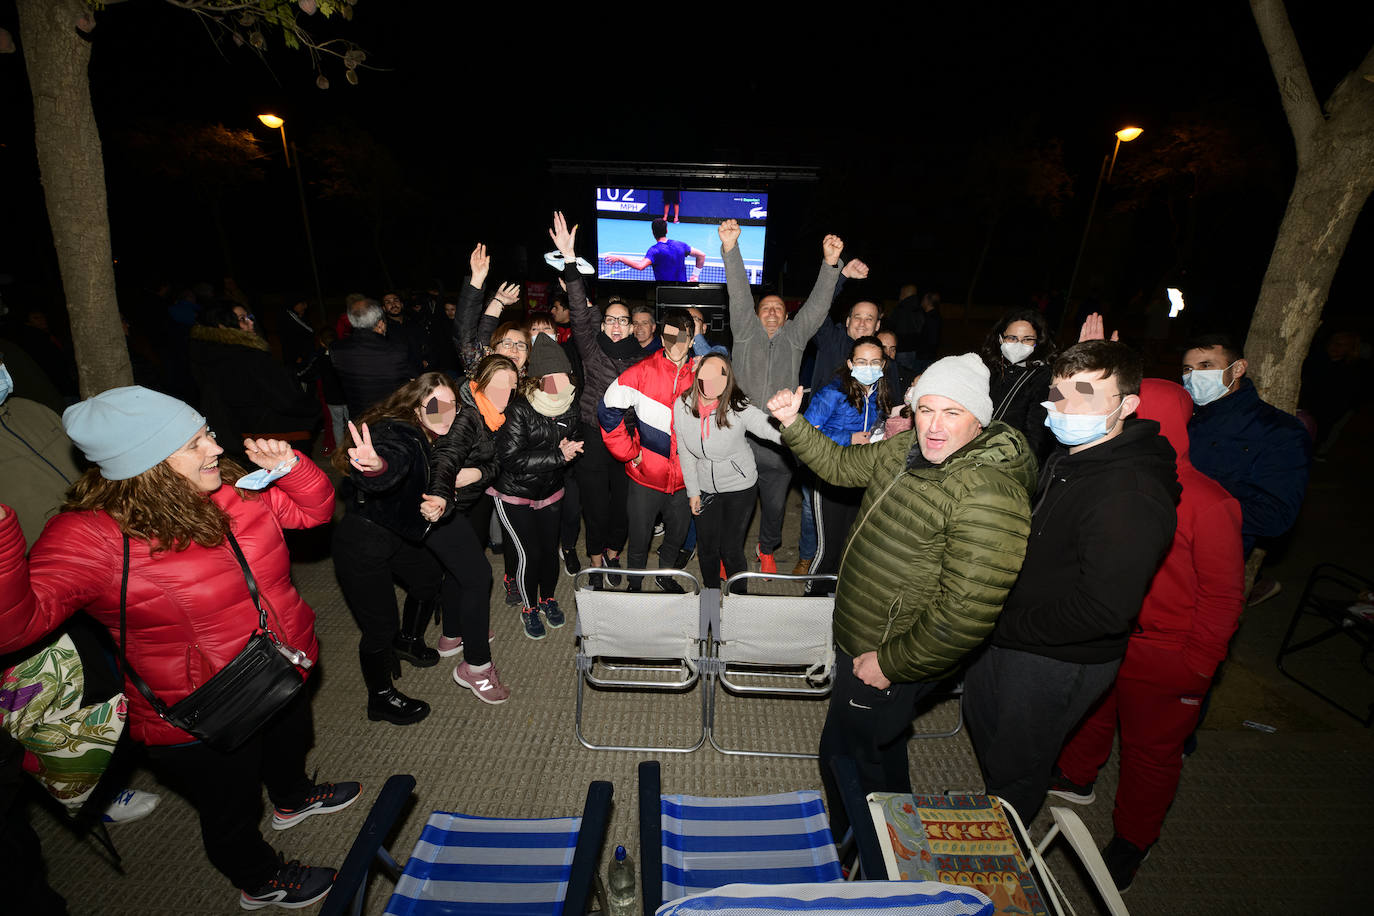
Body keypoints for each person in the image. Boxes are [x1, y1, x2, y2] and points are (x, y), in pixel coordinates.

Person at [0, 386, 355, 910]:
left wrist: (295, 467)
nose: (215, 447)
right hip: (197, 711)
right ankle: (258, 878)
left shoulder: (230, 486)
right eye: (194, 443)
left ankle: (293, 797)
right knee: (231, 809)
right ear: (142, 463)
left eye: (206, 432)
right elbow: (16, 626)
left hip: (284, 664)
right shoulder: (90, 537)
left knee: (289, 744)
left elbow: (313, 514)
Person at [766, 353, 1036, 838]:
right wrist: (791, 423)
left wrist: (890, 663)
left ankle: (865, 856)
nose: (933, 426)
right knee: (878, 752)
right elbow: (841, 466)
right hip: (864, 630)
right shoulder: (905, 447)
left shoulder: (988, 494)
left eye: (952, 413)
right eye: (926, 409)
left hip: (889, 650)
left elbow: (964, 616)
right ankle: (895, 851)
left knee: (845, 758)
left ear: (979, 418)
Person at [964, 340, 1179, 824]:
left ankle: (1002, 856)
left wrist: (1003, 625)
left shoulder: (1131, 495)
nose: (1064, 406)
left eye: (1084, 393)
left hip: (1056, 657)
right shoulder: (1073, 455)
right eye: (1058, 393)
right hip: (1015, 634)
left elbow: (1103, 610)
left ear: (1127, 406)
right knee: (993, 739)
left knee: (1018, 766)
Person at [1050, 378, 1244, 892]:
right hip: (1110, 629)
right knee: (1093, 711)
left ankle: (1133, 839)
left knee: (1150, 753)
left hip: (1167, 649)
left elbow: (1223, 596)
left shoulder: (1207, 501)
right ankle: (1078, 775)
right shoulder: (1112, 478)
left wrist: (1199, 666)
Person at [331, 372, 473, 723]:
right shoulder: (401, 433)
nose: (447, 413)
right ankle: (380, 698)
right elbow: (390, 462)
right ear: (416, 404)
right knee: (379, 628)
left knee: (428, 579)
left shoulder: (428, 430)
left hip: (398, 533)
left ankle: (408, 639)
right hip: (362, 542)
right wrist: (376, 467)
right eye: (437, 406)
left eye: (453, 405)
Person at [720, 218, 845, 574]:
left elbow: (819, 306)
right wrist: (731, 249)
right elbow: (739, 292)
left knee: (774, 505)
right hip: (740, 439)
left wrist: (830, 265)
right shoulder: (744, 331)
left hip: (778, 440)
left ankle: (767, 548)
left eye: (778, 308)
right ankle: (731, 556)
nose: (771, 311)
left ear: (787, 316)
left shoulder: (795, 337)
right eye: (765, 308)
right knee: (737, 503)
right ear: (755, 316)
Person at [549, 212, 654, 588]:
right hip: (593, 436)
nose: (615, 324)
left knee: (622, 507)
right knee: (594, 505)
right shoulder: (591, 349)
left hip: (627, 440)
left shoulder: (646, 358)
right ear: (603, 322)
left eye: (623, 320)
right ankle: (595, 560)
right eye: (610, 318)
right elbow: (578, 309)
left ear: (632, 326)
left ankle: (612, 552)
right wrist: (570, 259)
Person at [428, 355, 519, 702]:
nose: (504, 392)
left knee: (459, 570)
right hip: (443, 507)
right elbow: (445, 455)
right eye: (497, 384)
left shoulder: (495, 415)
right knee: (479, 577)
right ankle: (476, 668)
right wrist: (439, 494)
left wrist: (479, 473)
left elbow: (496, 462)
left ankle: (452, 633)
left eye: (510, 386)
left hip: (469, 503)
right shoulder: (464, 412)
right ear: (479, 382)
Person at [1182, 333, 1311, 558]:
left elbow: (1275, 516)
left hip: (1214, 555)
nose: (1194, 376)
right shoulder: (1182, 416)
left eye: (1206, 365)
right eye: (1187, 369)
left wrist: (1190, 509)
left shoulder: (1279, 431)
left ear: (1238, 369)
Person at [600, 309, 698, 593]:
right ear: (662, 337)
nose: (676, 343)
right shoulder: (642, 372)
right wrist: (629, 450)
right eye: (671, 336)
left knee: (676, 535)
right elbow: (607, 408)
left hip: (684, 481)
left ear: (692, 341)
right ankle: (634, 583)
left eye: (684, 337)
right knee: (640, 537)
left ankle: (664, 576)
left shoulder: (702, 376)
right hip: (644, 478)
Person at [491, 336, 583, 638]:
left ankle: (548, 599)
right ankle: (529, 608)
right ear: (538, 379)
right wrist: (558, 454)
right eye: (550, 377)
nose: (557, 383)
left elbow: (571, 441)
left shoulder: (571, 403)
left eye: (562, 375)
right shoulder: (519, 408)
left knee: (547, 551)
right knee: (528, 554)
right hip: (515, 493)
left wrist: (567, 449)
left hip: (550, 490)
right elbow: (510, 459)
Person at [675, 354, 780, 590]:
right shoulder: (681, 405)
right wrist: (693, 491)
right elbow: (685, 451)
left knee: (731, 549)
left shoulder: (737, 405)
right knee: (708, 547)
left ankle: (738, 601)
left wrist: (797, 432)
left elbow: (767, 427)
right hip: (704, 487)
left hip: (739, 487)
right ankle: (711, 595)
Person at [803, 336, 894, 593]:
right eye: (862, 361)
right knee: (827, 548)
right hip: (831, 477)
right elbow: (806, 434)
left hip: (864, 479)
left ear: (884, 365)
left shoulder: (881, 394)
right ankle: (812, 598)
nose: (869, 367)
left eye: (875, 362)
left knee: (850, 544)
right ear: (850, 363)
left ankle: (836, 599)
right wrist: (848, 438)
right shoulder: (832, 393)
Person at [188, 302, 320, 463]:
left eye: (249, 317)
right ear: (222, 325)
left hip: (238, 438)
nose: (251, 322)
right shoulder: (251, 357)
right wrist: (314, 409)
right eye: (242, 319)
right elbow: (287, 400)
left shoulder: (205, 356)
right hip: (275, 438)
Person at [979, 308, 1058, 467]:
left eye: (1027, 339)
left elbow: (1038, 434)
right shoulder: (989, 367)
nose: (1018, 344)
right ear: (1001, 339)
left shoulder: (1047, 376)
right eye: (1012, 338)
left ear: (1038, 342)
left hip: (1009, 461)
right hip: (976, 452)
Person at [331, 297, 416, 417]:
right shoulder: (397, 349)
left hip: (359, 419)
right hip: (391, 418)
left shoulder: (337, 349)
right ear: (381, 323)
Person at [453, 243, 523, 374]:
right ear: (493, 350)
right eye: (507, 344)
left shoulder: (533, 386)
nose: (514, 350)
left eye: (521, 345)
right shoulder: (483, 373)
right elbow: (465, 335)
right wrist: (477, 280)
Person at [603, 218, 707, 282]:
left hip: (664, 292)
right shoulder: (681, 245)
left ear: (653, 232)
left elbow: (640, 266)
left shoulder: (654, 251)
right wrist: (695, 276)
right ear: (666, 230)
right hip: (682, 290)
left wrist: (620, 258)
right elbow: (701, 255)